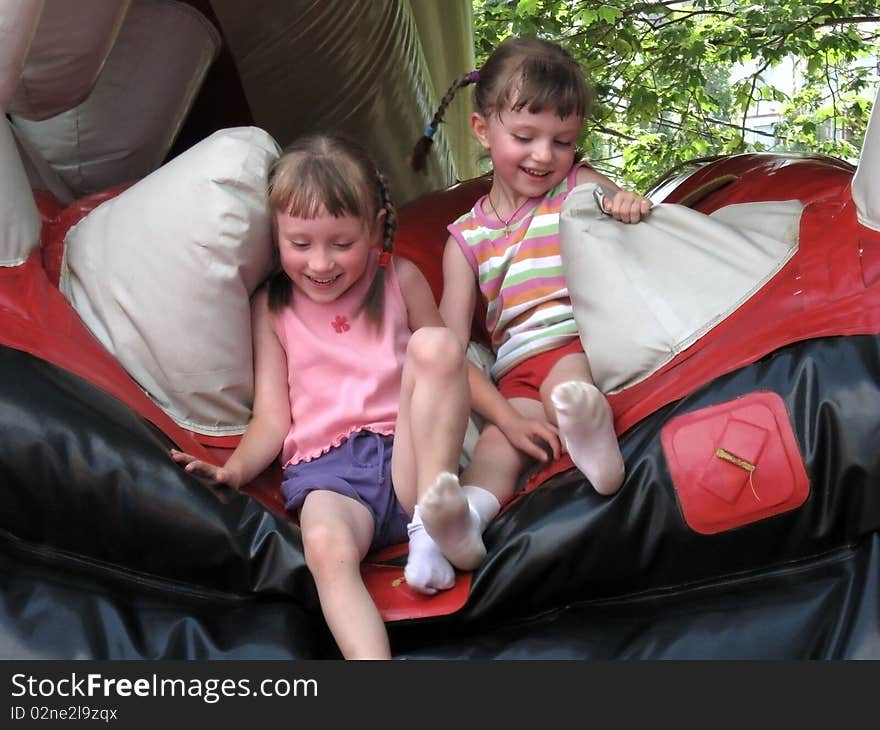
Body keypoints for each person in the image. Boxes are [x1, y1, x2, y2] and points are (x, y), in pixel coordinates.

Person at [171, 133, 480, 660]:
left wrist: (505, 422)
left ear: (377, 229)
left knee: (435, 344)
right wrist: (236, 470)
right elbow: (272, 416)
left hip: (410, 454)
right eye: (300, 244)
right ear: (276, 236)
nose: (320, 263)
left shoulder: (399, 279)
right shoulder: (273, 307)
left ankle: (436, 521)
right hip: (330, 473)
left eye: (341, 244)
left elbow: (453, 369)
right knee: (326, 548)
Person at [407, 36, 652, 572]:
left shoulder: (577, 185)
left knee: (569, 383)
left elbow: (619, 210)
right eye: (525, 136)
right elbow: (449, 353)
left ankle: (596, 447)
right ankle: (458, 523)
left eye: (562, 141)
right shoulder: (465, 239)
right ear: (482, 130)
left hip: (575, 340)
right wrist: (505, 420)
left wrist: (628, 204)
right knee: (498, 450)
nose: (545, 156)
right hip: (515, 371)